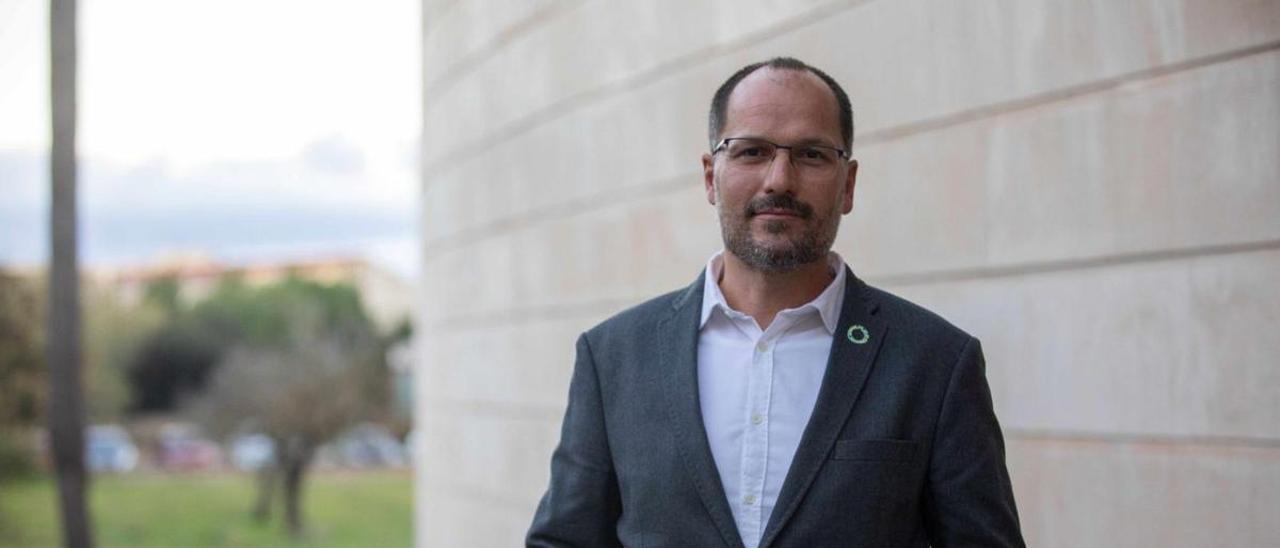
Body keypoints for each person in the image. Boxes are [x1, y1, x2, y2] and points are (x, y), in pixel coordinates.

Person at [527, 57, 1024, 548]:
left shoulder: (934, 362)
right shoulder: (613, 356)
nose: (779, 180)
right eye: (751, 151)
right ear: (709, 176)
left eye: (811, 154)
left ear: (847, 184)